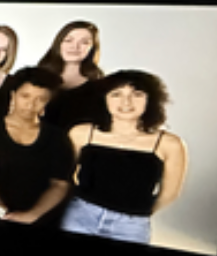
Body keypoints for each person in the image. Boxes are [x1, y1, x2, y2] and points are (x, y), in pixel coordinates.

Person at [61, 70, 187, 245]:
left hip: (131, 227)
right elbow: (63, 177)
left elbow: (169, 194)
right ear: (104, 99)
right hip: (79, 216)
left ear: (150, 100)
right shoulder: (81, 133)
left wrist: (134, 212)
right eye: (116, 94)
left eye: (137, 94)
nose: (126, 102)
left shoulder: (169, 144)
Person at [0, 67, 73, 226]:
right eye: (25, 96)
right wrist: (1, 211)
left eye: (40, 99)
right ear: (13, 95)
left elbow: (60, 184)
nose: (31, 104)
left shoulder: (56, 137)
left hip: (36, 221)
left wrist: (32, 215)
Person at [38, 20, 105, 133]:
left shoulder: (100, 87)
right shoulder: (36, 77)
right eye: (68, 40)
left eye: (84, 42)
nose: (75, 47)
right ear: (59, 43)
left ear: (93, 48)